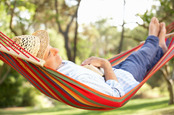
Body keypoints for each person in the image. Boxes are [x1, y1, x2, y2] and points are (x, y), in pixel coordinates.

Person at [12, 17, 168, 97]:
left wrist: (97, 66)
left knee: (141, 59)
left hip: (112, 73)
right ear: (40, 65)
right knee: (138, 58)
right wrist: (105, 64)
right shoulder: (72, 79)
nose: (58, 50)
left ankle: (160, 48)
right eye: (50, 53)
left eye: (52, 47)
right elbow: (117, 95)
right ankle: (153, 40)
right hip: (123, 79)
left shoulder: (59, 70)